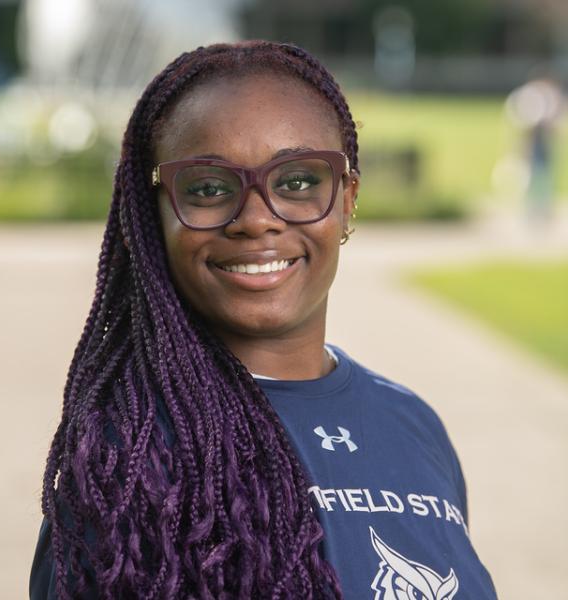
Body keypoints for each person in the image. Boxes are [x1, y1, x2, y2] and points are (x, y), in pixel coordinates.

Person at [29, 40, 497, 599]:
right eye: (208, 188)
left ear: (347, 199)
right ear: (154, 217)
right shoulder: (127, 458)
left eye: (298, 181)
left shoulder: (413, 425)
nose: (256, 220)